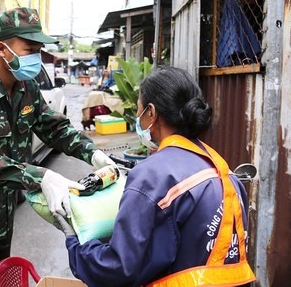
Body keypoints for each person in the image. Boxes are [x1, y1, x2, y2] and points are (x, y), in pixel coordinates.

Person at [0, 7, 116, 286]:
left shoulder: (27, 88)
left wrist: (93, 153)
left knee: (2, 280)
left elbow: (55, 127)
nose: (37, 57)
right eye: (30, 49)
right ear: (2, 49)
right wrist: (42, 176)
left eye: (39, 49)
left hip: (4, 214)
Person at [53, 66, 256, 286]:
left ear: (151, 112)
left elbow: (120, 268)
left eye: (138, 109)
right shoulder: (224, 172)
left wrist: (76, 245)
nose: (137, 116)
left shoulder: (151, 176)